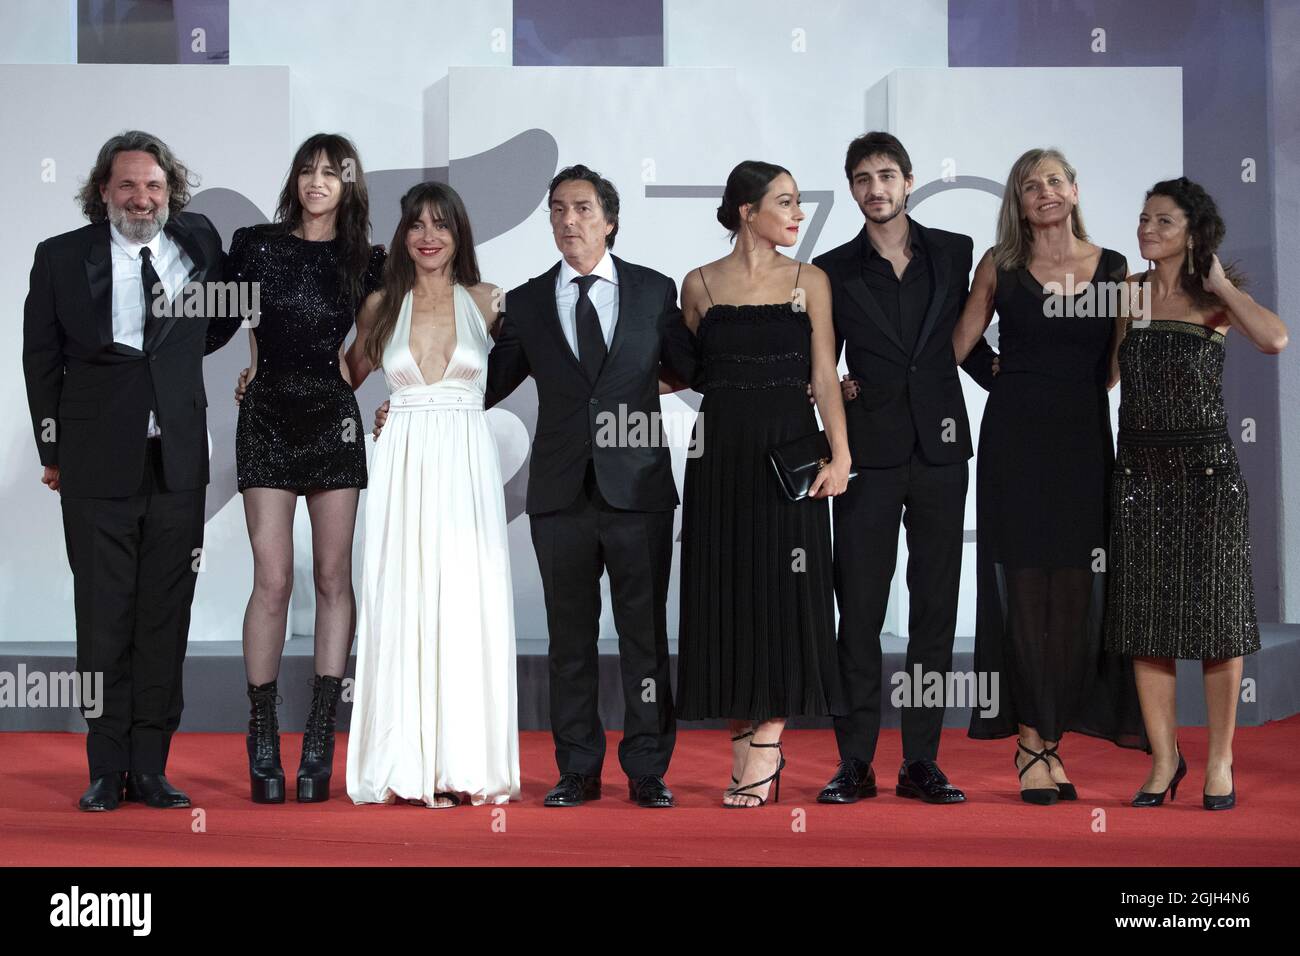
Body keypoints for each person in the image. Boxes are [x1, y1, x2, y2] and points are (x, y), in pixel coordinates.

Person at [378, 164, 697, 808]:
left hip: (638, 489)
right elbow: (480, 385)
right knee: (568, 638)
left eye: (581, 208)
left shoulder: (653, 291)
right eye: (557, 210)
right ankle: (577, 767)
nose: (568, 221)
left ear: (609, 219)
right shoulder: (523, 302)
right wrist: (408, 406)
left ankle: (646, 769)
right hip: (559, 494)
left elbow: (689, 369)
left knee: (644, 639)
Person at [22, 130, 241, 811]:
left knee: (164, 618)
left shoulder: (199, 244)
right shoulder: (60, 257)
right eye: (127, 186)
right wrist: (52, 452)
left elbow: (218, 323)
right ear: (103, 192)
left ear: (169, 191)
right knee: (103, 615)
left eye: (152, 186)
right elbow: (40, 360)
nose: (140, 197)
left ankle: (151, 766)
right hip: (94, 466)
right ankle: (104, 766)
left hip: (177, 464)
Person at [954, 147, 1146, 806]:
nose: (1045, 191)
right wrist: (1000, 374)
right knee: (1020, 592)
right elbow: (960, 346)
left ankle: (1052, 737)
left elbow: (1119, 362)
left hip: (1084, 445)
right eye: (1031, 185)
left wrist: (1072, 387)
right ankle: (1030, 742)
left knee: (1076, 596)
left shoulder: (1114, 267)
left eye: (1055, 180)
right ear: (1018, 200)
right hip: (1013, 444)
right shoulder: (1001, 266)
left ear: (1074, 189)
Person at [815, 132, 996, 806]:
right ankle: (854, 761)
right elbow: (821, 361)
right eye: (862, 178)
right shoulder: (831, 269)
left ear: (910, 180)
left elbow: (964, 342)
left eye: (886, 175)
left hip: (943, 452)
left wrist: (1023, 380)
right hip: (865, 456)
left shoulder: (954, 251)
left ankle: (921, 760)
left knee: (935, 608)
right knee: (857, 609)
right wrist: (831, 390)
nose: (875, 188)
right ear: (852, 188)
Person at [1106, 177, 1287, 810]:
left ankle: (1219, 761)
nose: (1146, 229)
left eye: (1161, 221)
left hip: (1207, 476)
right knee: (1146, 623)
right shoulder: (1125, 294)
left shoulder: (1216, 298)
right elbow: (1101, 375)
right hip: (1138, 478)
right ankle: (1163, 761)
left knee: (1218, 624)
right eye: (1142, 218)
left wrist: (1223, 286)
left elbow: (1274, 339)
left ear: (1192, 230)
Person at [675, 160, 850, 808]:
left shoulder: (811, 281)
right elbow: (682, 371)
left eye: (799, 202)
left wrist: (842, 455)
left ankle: (768, 746)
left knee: (785, 594)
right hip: (718, 457)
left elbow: (825, 375)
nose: (798, 213)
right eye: (786, 201)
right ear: (747, 211)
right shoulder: (698, 284)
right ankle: (742, 745)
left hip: (788, 457)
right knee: (726, 596)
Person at [341, 182, 519, 808]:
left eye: (440, 223)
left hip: (467, 463)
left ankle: (464, 763)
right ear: (402, 234)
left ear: (459, 232)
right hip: (404, 460)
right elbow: (340, 376)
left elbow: (539, 360)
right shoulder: (381, 304)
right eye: (416, 223)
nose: (427, 235)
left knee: (466, 600)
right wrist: (263, 365)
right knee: (406, 595)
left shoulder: (488, 300)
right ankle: (404, 762)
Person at [230, 133, 385, 803]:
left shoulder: (368, 260)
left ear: (350, 185)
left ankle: (319, 740)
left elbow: (369, 349)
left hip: (332, 419)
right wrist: (259, 371)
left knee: (331, 575)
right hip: (265, 415)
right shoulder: (255, 244)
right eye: (307, 170)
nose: (317, 181)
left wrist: (335, 389)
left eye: (331, 172)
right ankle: (262, 735)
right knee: (272, 577)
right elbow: (238, 325)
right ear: (294, 179)